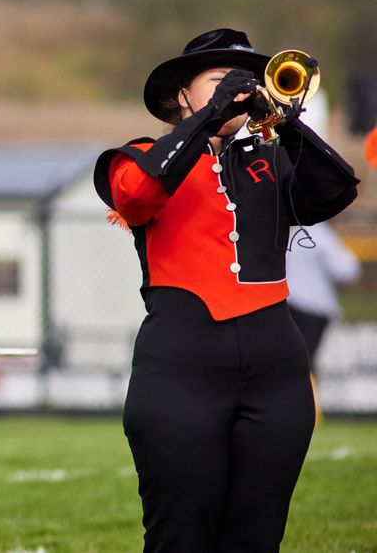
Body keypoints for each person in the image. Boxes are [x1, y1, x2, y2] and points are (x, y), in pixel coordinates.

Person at [94, 28, 359, 551]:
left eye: (245, 80)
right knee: (182, 532)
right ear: (181, 95)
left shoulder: (269, 159)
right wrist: (207, 119)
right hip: (181, 367)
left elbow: (335, 190)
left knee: (257, 534)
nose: (237, 88)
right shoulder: (140, 155)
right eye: (219, 79)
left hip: (276, 370)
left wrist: (283, 120)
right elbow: (139, 195)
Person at [286, 222, 361, 418]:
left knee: (295, 359)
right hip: (314, 307)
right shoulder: (321, 234)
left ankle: (299, 409)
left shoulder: (287, 232)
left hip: (286, 303)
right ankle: (310, 411)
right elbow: (347, 271)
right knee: (306, 360)